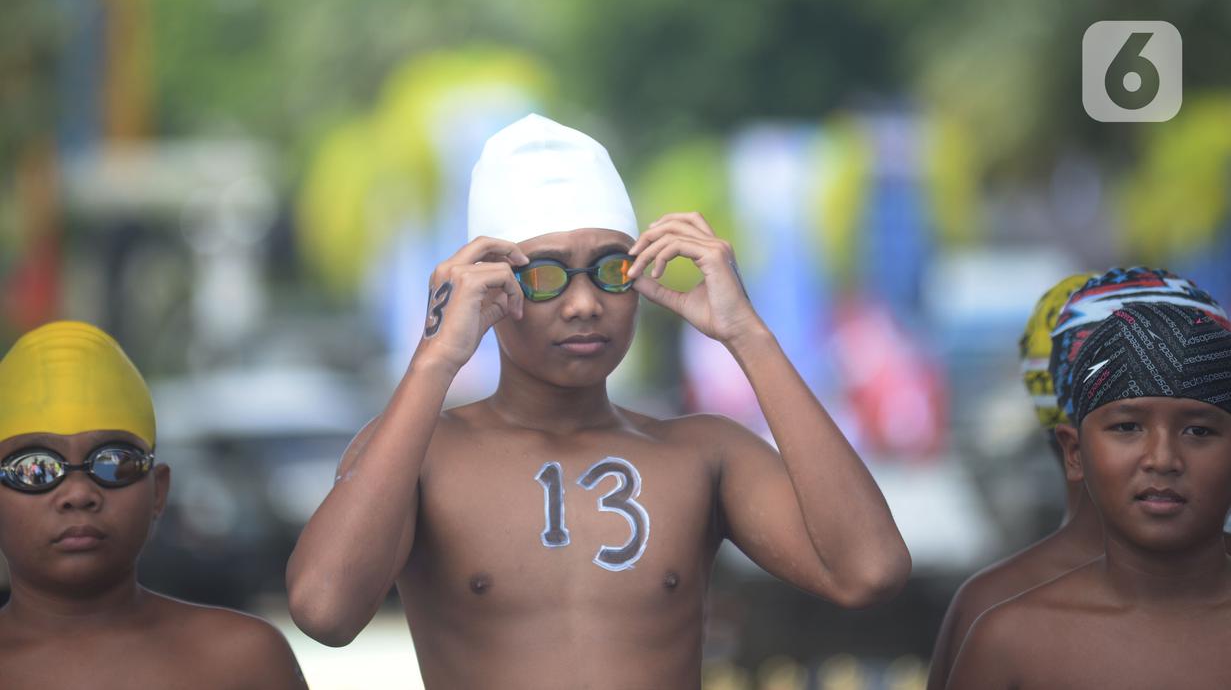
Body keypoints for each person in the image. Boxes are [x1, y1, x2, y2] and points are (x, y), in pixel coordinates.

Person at [286, 113, 911, 688]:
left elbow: (868, 570)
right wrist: (436, 360)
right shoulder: (420, 454)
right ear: (493, 289)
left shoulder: (702, 454)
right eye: (547, 273)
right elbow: (324, 611)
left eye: (612, 268)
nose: (585, 304)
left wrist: (748, 335)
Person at [927, 268, 1231, 690]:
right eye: (1127, 426)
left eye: (1199, 430)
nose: (1162, 458)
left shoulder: (1005, 622)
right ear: (1075, 450)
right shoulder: (1009, 638)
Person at [0, 321, 306, 690]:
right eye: (35, 469)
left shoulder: (242, 660)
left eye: (113, 462)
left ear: (158, 491)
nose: (78, 493)